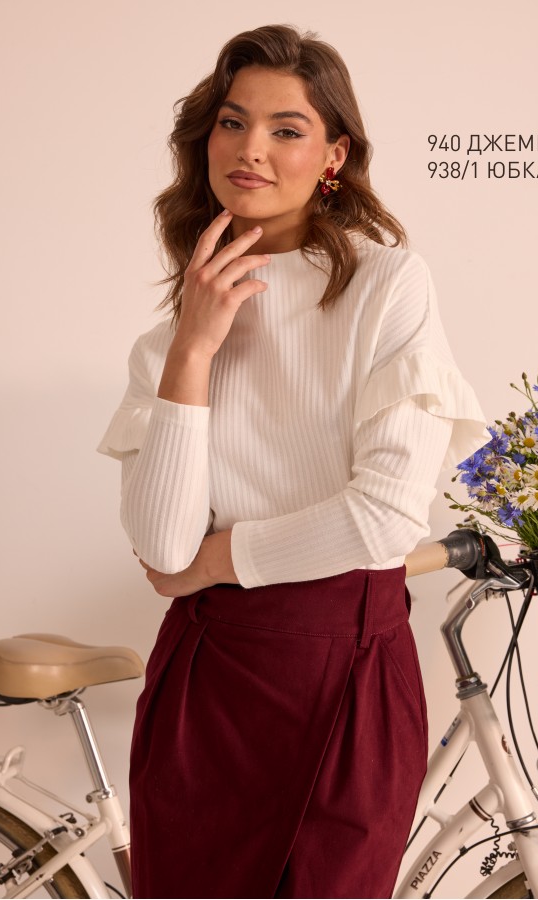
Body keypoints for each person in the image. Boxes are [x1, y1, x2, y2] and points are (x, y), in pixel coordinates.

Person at [98, 23, 488, 899]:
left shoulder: (387, 286)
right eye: (233, 123)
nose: (251, 150)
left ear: (333, 156)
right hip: (205, 690)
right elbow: (161, 548)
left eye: (287, 129)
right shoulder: (165, 342)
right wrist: (194, 348)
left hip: (346, 674)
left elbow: (384, 518)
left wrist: (217, 561)